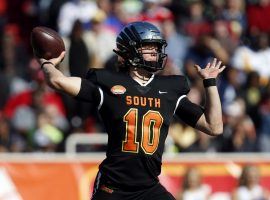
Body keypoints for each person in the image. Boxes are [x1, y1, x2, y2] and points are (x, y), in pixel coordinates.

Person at [37, 21, 225, 200]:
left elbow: (213, 127)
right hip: (114, 186)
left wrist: (210, 83)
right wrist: (47, 63)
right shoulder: (108, 83)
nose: (155, 52)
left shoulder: (169, 89)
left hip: (148, 187)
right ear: (130, 50)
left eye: (157, 47)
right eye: (149, 47)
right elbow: (57, 81)